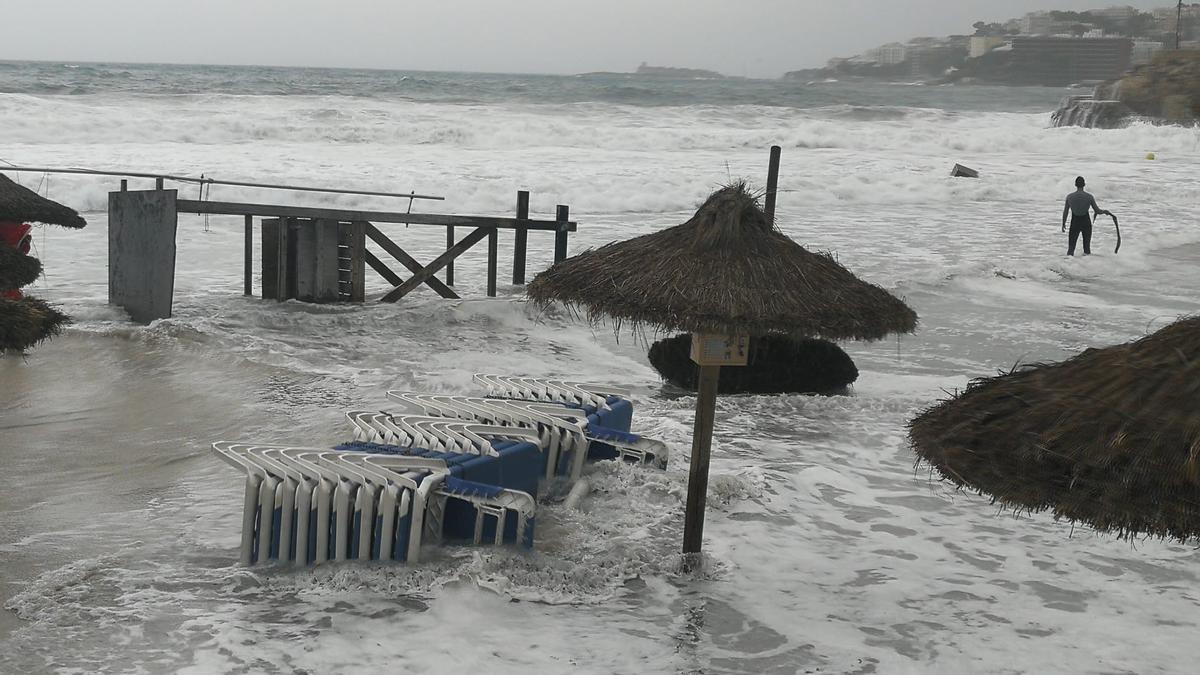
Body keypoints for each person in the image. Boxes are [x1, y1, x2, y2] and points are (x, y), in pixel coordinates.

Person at [1061, 176, 1109, 256]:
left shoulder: (1069, 197)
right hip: (1086, 222)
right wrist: (1105, 211)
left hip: (1075, 222)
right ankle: (1087, 267)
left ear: (1075, 185)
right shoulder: (1089, 197)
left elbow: (1066, 212)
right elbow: (1097, 211)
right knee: (1087, 249)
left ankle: (1068, 266)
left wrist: (1063, 223)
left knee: (1071, 249)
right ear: (1084, 184)